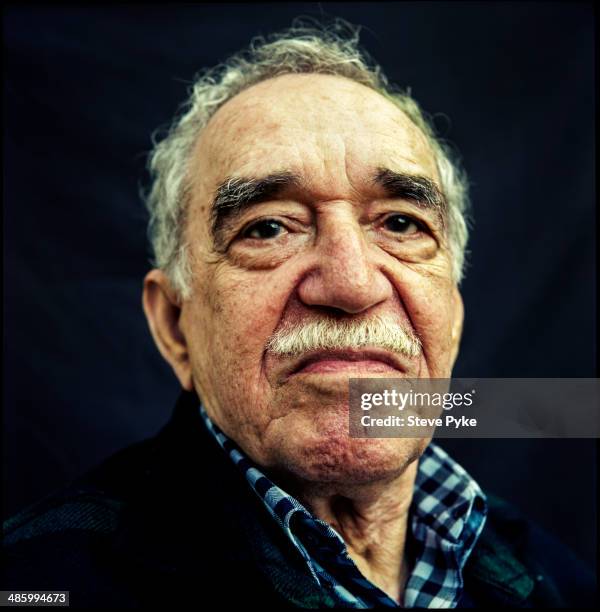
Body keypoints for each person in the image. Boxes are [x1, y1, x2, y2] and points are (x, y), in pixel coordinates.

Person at [3, 20, 595, 608]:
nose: (351, 283)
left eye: (400, 224)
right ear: (173, 327)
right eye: (267, 228)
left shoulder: (556, 580)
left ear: (454, 317)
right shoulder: (38, 582)